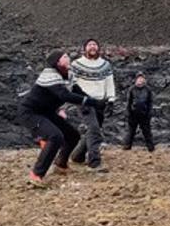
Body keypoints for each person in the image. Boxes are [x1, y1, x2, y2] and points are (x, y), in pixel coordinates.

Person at [17, 51, 104, 187]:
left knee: (73, 135)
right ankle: (36, 174)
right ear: (57, 62)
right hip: (31, 112)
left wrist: (95, 102)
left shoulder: (69, 75)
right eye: (64, 56)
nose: (68, 58)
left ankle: (60, 164)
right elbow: (64, 95)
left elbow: (78, 92)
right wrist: (90, 102)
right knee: (55, 136)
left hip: (47, 112)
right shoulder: (49, 74)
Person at [70, 39, 116, 171]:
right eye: (89, 45)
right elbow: (72, 83)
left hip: (100, 102)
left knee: (92, 131)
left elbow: (109, 82)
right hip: (85, 102)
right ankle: (94, 162)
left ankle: (77, 156)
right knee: (94, 129)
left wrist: (111, 100)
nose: (92, 47)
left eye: (95, 45)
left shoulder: (105, 65)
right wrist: (79, 99)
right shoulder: (77, 64)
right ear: (84, 48)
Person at [124, 72, 155, 152]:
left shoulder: (148, 89)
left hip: (144, 114)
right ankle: (127, 147)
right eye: (139, 78)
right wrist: (128, 112)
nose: (140, 80)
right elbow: (129, 101)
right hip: (133, 114)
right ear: (136, 80)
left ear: (144, 80)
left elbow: (150, 102)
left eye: (142, 78)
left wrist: (150, 112)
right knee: (131, 132)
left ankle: (151, 148)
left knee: (147, 132)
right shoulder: (132, 89)